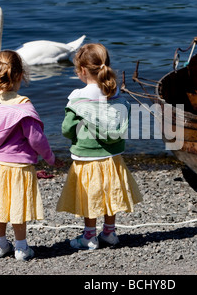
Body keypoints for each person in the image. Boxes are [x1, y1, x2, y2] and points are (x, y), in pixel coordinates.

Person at [0, 50, 63, 261]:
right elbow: (37, 139)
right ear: (21, 75)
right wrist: (51, 158)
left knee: (0, 206)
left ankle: (0, 244)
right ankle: (21, 248)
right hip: (19, 168)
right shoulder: (22, 107)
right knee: (17, 208)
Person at [56, 43, 143, 250]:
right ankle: (109, 233)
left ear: (83, 71)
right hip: (112, 157)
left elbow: (67, 130)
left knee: (91, 196)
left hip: (87, 158)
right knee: (109, 194)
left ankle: (89, 236)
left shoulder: (78, 98)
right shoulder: (116, 97)